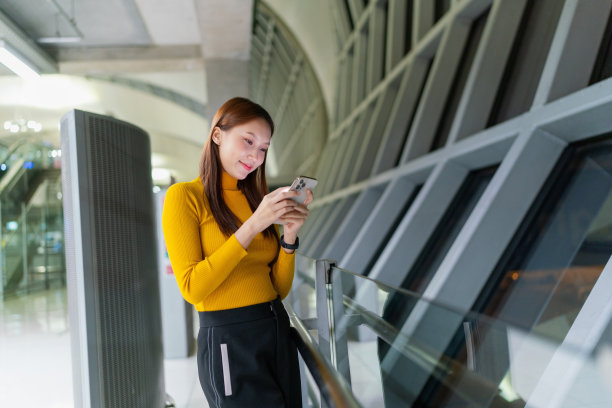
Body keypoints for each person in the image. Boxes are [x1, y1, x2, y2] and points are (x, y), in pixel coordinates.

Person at [162, 97, 312, 407]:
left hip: (275, 328)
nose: (256, 156)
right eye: (248, 140)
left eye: (263, 148)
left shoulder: (255, 201)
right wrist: (254, 225)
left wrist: (289, 236)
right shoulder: (185, 196)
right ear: (217, 135)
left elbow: (278, 290)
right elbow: (192, 288)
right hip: (229, 340)